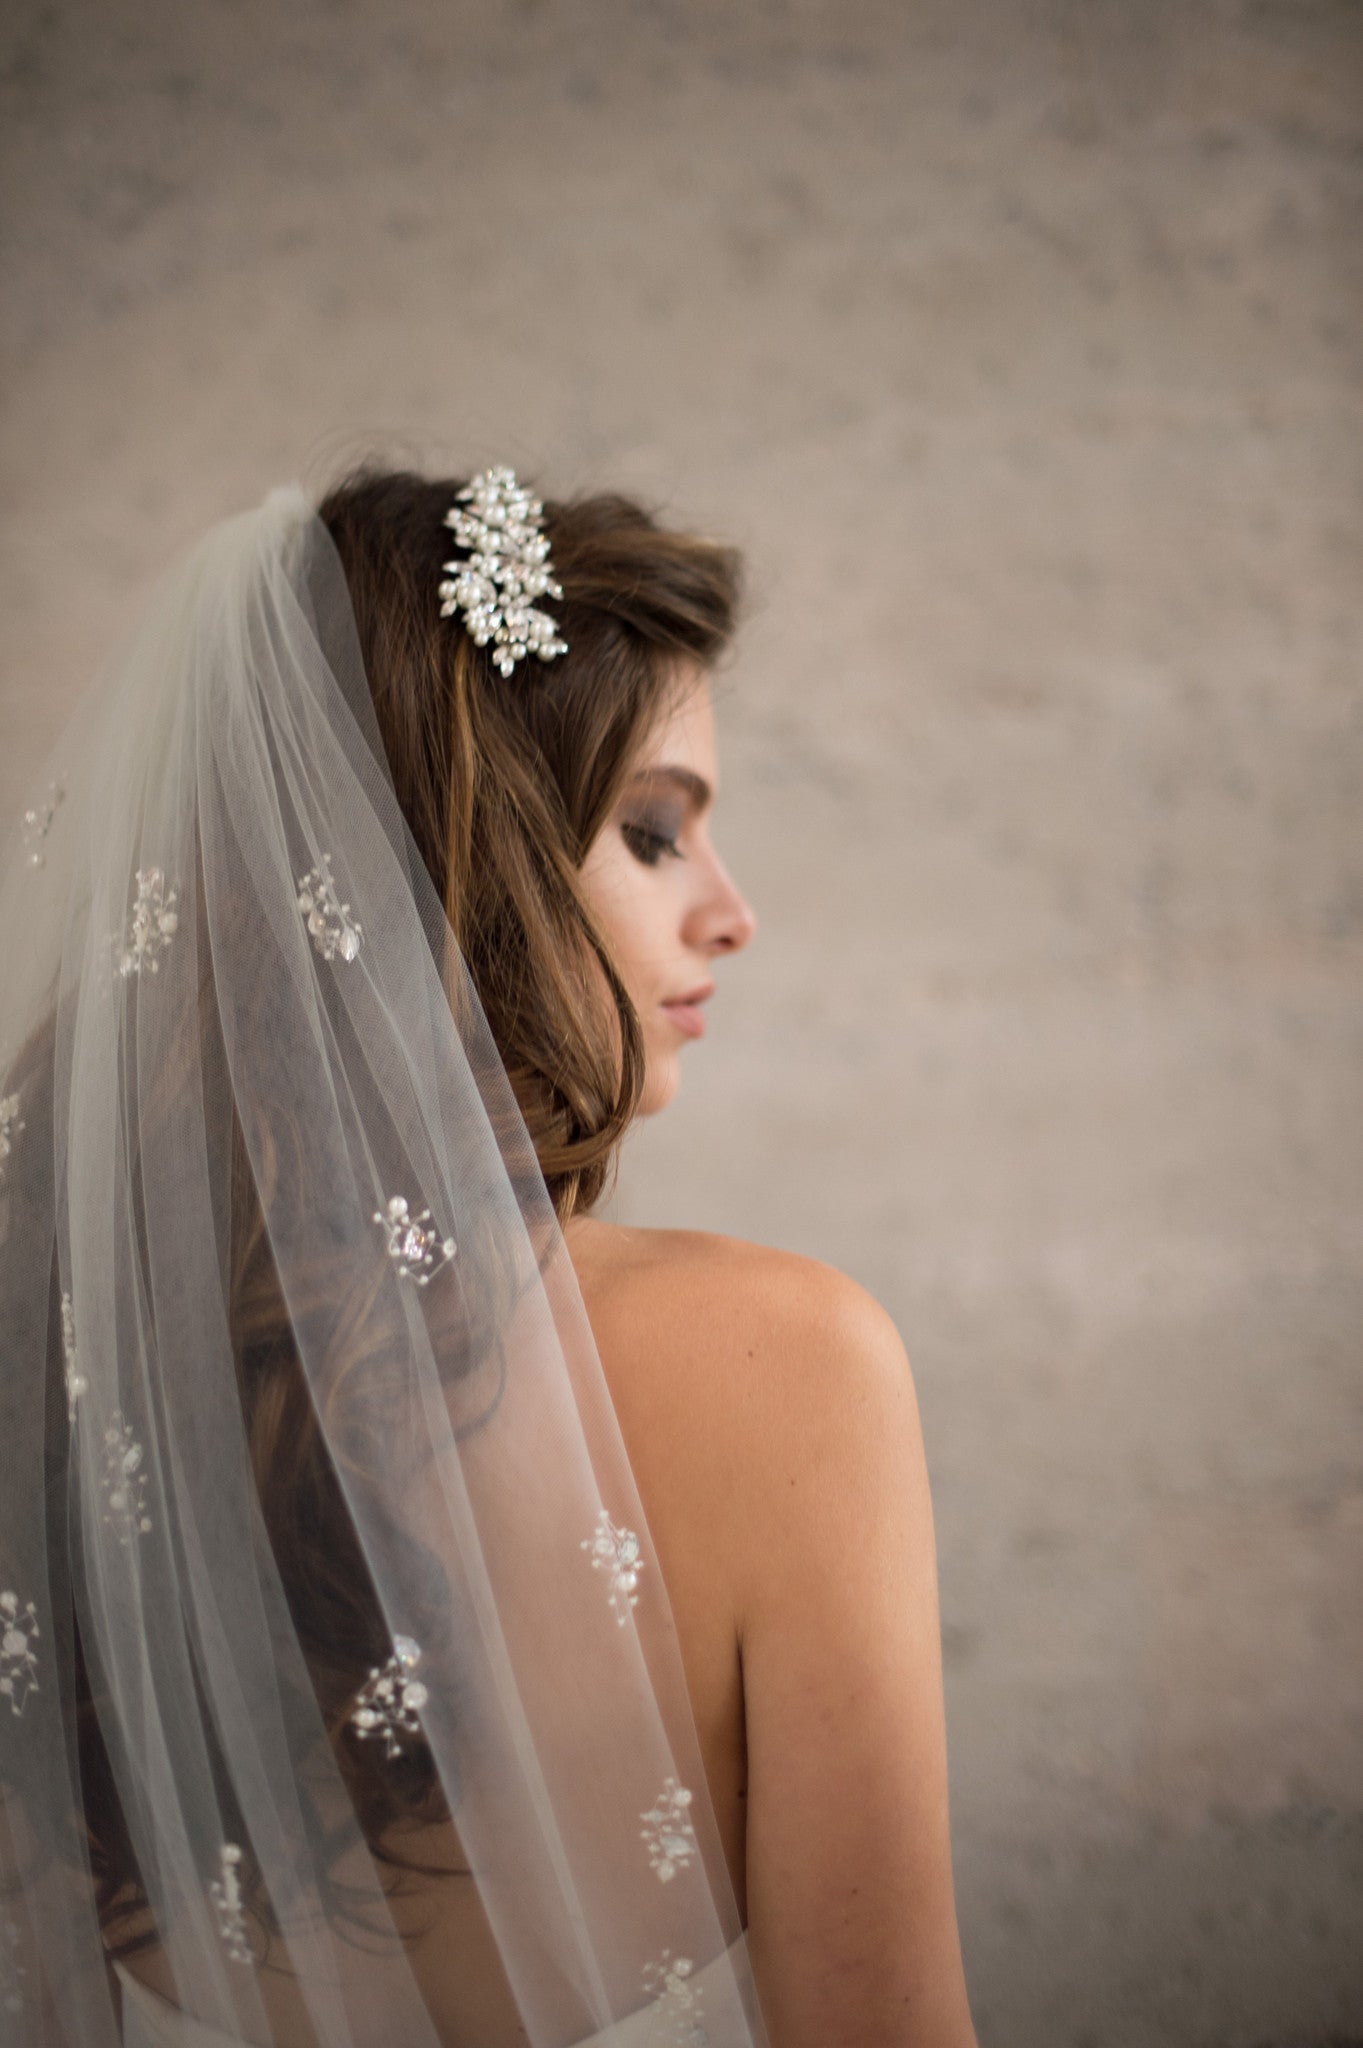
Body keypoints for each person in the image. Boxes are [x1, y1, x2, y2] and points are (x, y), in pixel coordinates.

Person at [0, 467, 976, 2047]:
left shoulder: (49, 1376)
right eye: (655, 832)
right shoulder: (793, 1365)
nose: (733, 915)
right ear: (468, 872)